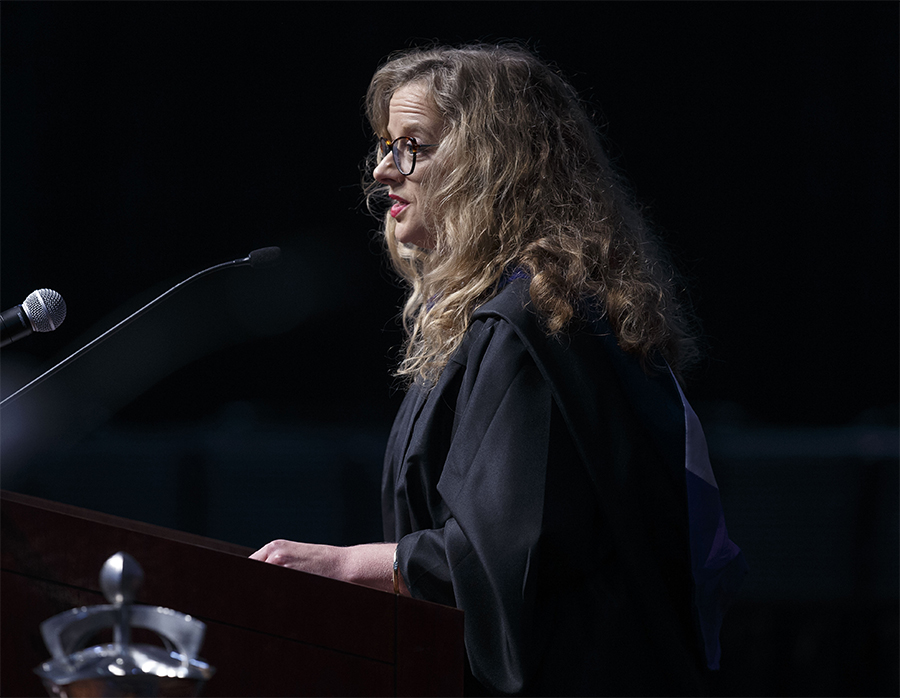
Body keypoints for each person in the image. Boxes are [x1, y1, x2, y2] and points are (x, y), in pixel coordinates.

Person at [251, 43, 747, 696]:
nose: (381, 171)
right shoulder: (527, 310)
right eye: (383, 146)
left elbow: (512, 554)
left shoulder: (536, 320)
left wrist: (356, 565)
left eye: (412, 147)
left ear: (493, 165)